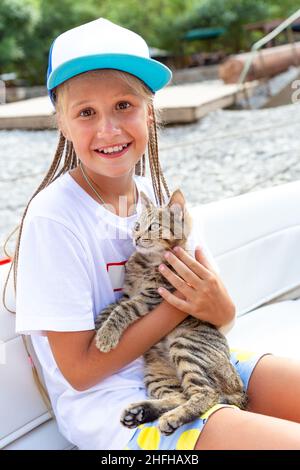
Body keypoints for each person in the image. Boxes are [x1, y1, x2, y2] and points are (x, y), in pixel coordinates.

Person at [6, 18, 300, 450]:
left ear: (150, 112)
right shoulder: (54, 219)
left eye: (124, 105)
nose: (108, 129)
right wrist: (176, 308)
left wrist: (213, 304)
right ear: (62, 124)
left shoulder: (156, 197)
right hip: (114, 404)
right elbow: (81, 372)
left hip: (194, 358)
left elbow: (221, 313)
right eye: (86, 112)